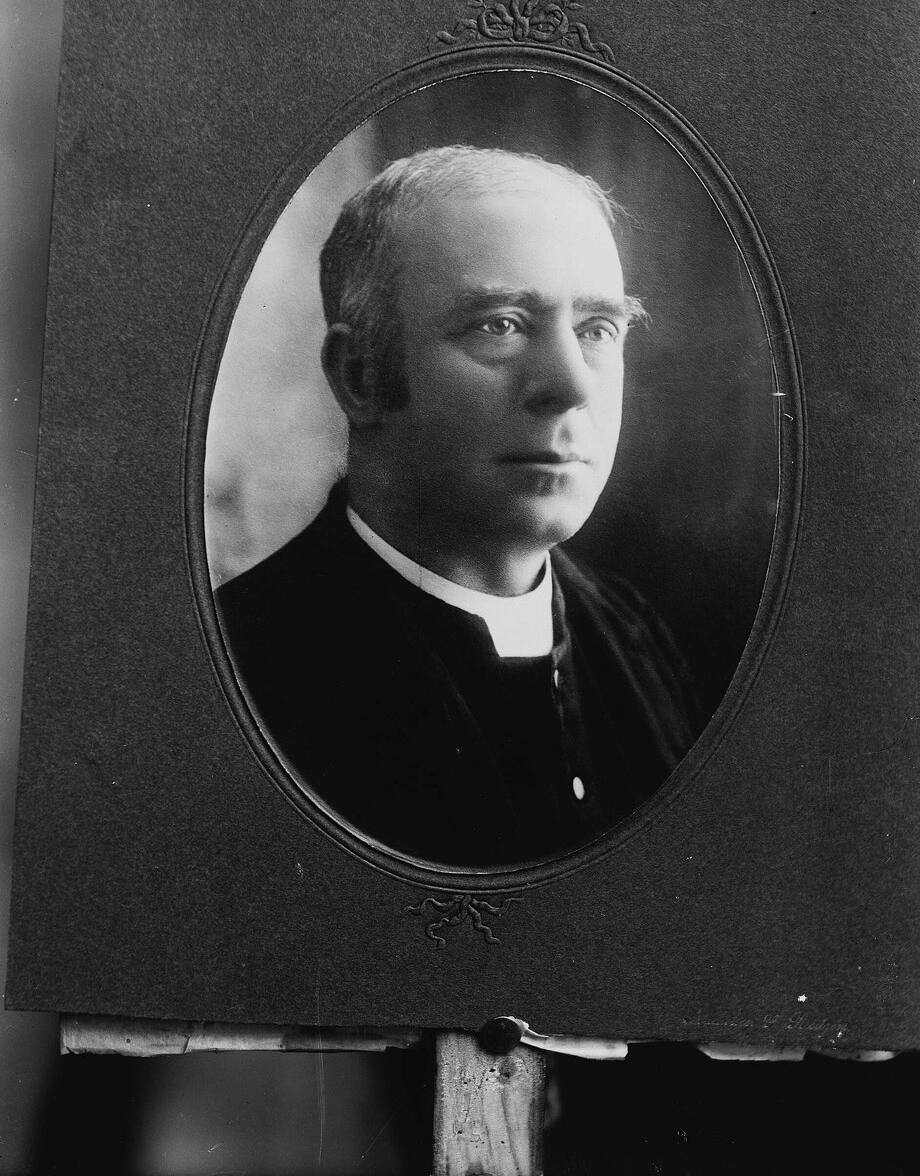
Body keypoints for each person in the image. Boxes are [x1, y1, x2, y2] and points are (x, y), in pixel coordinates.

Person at [216, 146, 701, 866]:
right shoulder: (238, 679)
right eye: (500, 324)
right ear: (361, 377)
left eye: (597, 330)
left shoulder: (638, 641)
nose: (571, 385)